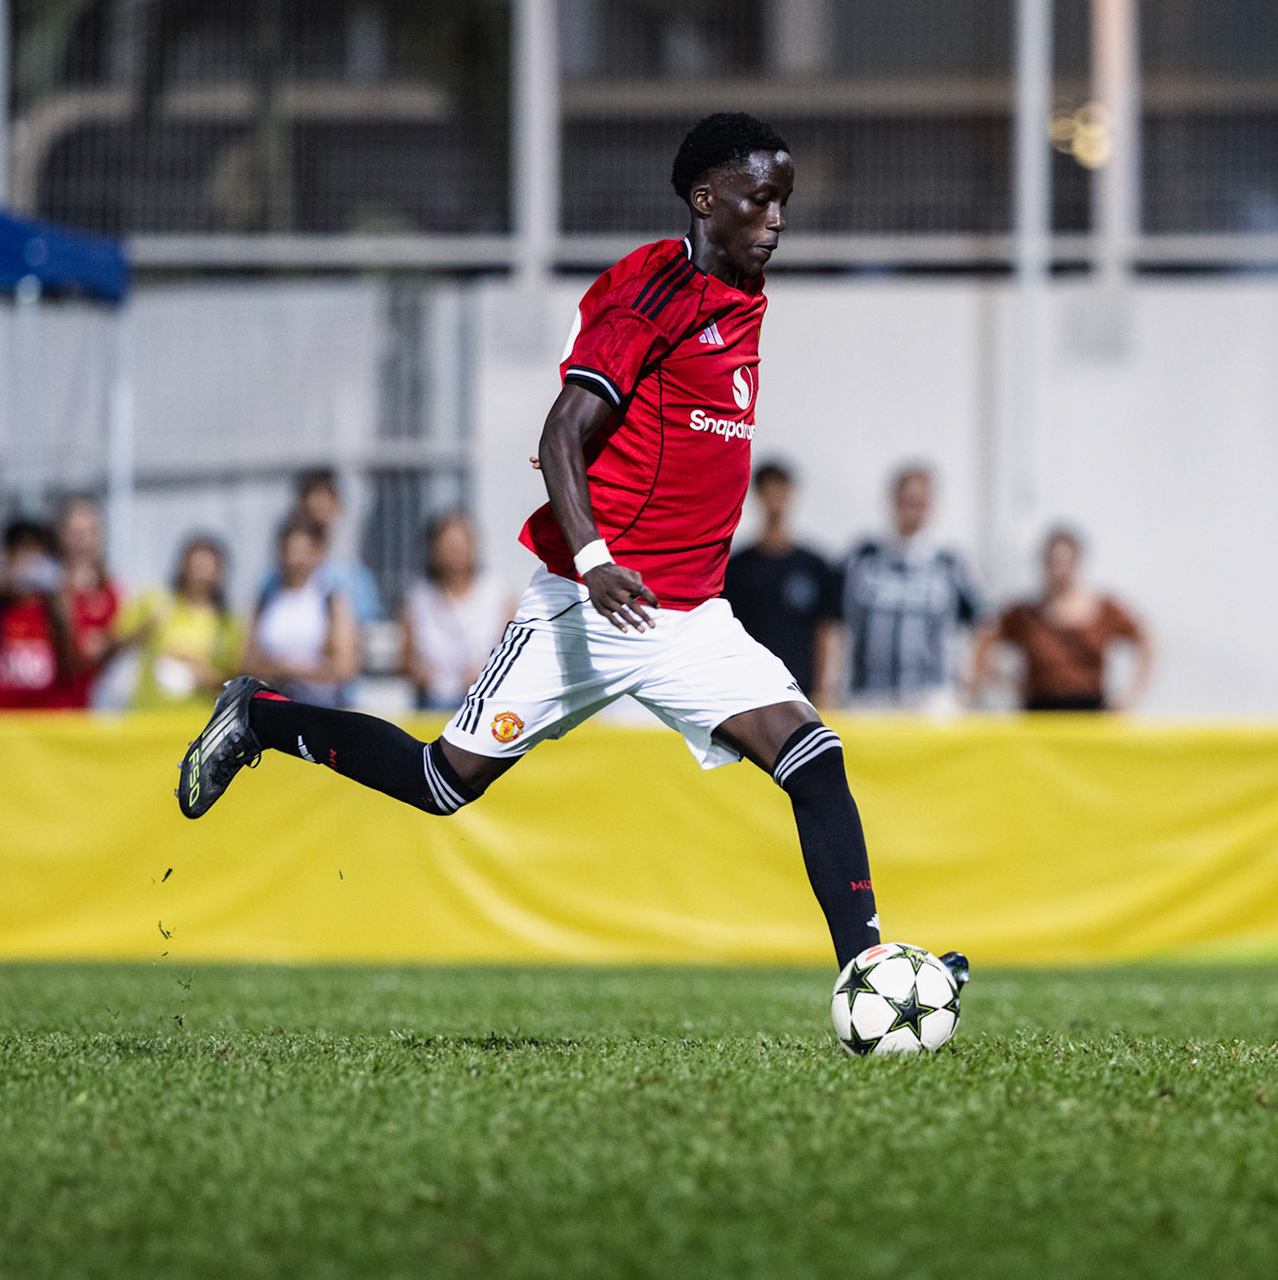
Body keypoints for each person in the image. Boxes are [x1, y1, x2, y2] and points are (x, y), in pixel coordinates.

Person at [175, 112, 968, 988]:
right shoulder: (647, 300)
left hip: (693, 619)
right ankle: (259, 716)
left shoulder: (737, 290)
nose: (777, 218)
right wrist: (593, 564)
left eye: (784, 200)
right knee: (445, 782)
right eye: (761, 200)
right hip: (590, 604)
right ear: (707, 201)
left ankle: (871, 967)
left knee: (815, 762)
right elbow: (561, 436)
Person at [840, 467, 981, 709]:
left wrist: (969, 680)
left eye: (920, 502)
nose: (912, 509)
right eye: (906, 500)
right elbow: (834, 620)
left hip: (930, 696)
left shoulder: (948, 560)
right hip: (870, 695)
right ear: (893, 502)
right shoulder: (863, 556)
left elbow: (985, 619)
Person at [975, 526, 1154, 713]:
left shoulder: (1103, 609)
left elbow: (1146, 642)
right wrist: (1001, 678)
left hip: (1090, 711)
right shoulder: (1024, 615)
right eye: (1052, 562)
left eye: (1064, 562)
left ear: (1077, 562)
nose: (1058, 570)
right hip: (1040, 712)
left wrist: (1131, 696)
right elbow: (985, 636)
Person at [722, 462, 842, 702]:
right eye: (769, 493)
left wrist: (824, 688)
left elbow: (826, 630)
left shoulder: (814, 565)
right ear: (756, 496)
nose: (775, 501)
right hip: (749, 689)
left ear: (791, 495)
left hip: (801, 688)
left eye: (781, 492)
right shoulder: (737, 568)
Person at [114, 534, 245, 711]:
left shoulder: (227, 624)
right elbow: (115, 643)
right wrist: (144, 629)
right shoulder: (156, 602)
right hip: (148, 717)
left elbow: (236, 678)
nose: (200, 575)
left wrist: (208, 678)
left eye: (206, 568)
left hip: (199, 723)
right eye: (196, 567)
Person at [400, 512, 514, 712]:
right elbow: (405, 660)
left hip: (486, 699)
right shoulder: (418, 598)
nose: (455, 555)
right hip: (433, 702)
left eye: (460, 547)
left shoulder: (497, 593)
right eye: (448, 547)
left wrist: (486, 671)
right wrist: (424, 675)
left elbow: (513, 651)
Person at [241, 517, 359, 708]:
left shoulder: (330, 600)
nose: (293, 560)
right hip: (273, 703)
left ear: (318, 554)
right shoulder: (266, 599)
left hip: (317, 706)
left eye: (301, 552)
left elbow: (344, 667)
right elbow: (245, 662)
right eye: (288, 552)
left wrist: (289, 670)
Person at [0, 519, 76, 711]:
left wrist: (59, 599)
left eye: (34, 554)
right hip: (0, 721)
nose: (27, 564)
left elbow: (72, 664)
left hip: (46, 721)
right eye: (20, 553)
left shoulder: (52, 609)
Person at [257, 468, 385, 628]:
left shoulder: (351, 573)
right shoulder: (277, 575)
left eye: (326, 499)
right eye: (312, 500)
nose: (319, 507)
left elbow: (367, 624)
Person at [51, 496, 122, 709]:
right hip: (48, 710)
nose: (82, 541)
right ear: (62, 535)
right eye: (76, 532)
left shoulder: (113, 592)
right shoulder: (44, 589)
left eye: (90, 532)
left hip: (94, 710)